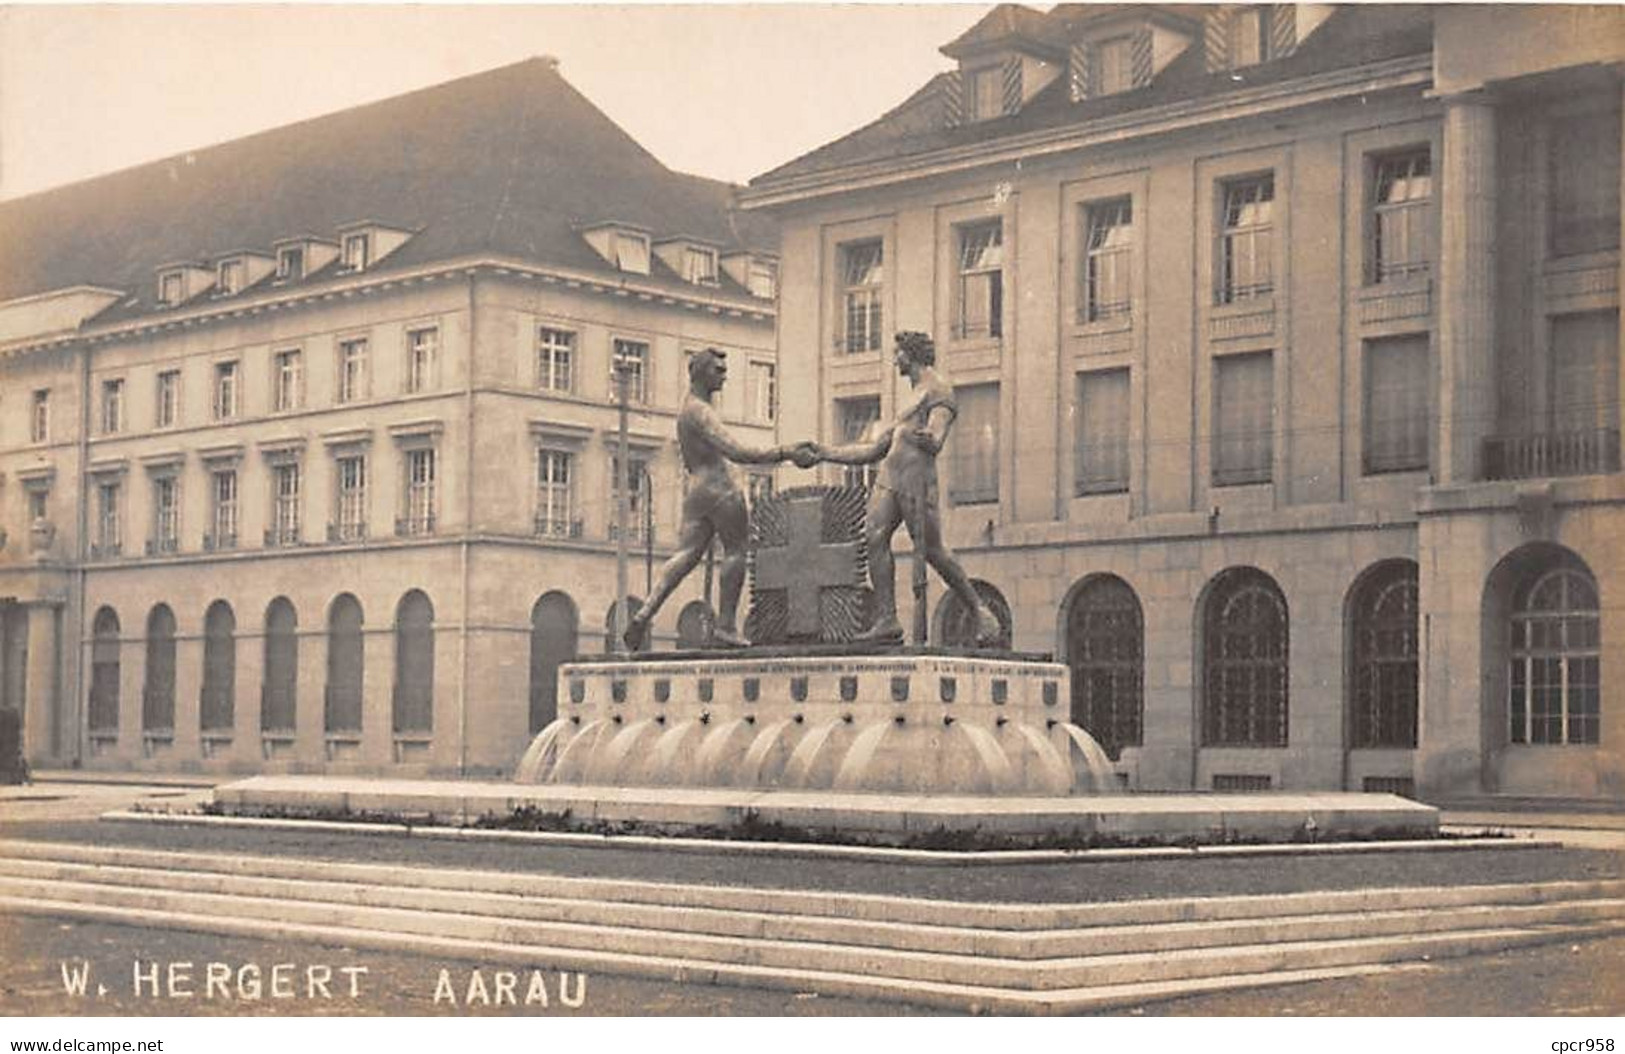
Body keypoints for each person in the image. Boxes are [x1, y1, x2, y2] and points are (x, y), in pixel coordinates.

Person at [812, 331, 1001, 645]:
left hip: (916, 482)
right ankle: (887, 619)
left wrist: (930, 436)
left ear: (911, 355)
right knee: (873, 537)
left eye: (897, 353)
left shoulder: (939, 389)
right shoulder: (908, 400)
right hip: (890, 479)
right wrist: (824, 453)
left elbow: (937, 436)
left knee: (933, 551)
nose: (894, 359)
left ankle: (979, 610)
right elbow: (871, 451)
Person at [622, 347, 817, 651]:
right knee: (737, 550)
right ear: (701, 372)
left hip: (696, 490)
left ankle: (646, 611)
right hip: (722, 488)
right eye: (718, 370)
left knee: (686, 555)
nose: (724, 376)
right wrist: (786, 452)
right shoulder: (701, 412)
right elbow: (737, 452)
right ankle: (726, 626)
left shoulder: (687, 408)